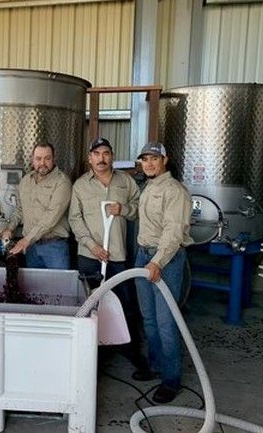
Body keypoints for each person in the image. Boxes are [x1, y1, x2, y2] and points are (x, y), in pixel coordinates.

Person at [69, 137, 150, 376]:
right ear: (90, 158)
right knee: (89, 304)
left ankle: (132, 351)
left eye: (106, 153)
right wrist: (92, 245)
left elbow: (139, 210)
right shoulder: (80, 186)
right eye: (96, 154)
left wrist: (123, 210)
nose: (101, 158)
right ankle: (90, 353)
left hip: (117, 256)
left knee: (126, 304)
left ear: (112, 156)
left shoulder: (126, 182)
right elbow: (75, 219)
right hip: (90, 255)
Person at [135, 142, 193, 404]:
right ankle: (156, 366)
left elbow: (173, 233)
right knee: (148, 318)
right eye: (145, 159)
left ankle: (170, 380)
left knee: (166, 322)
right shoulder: (148, 187)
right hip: (143, 255)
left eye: (154, 159)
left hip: (165, 261)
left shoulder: (174, 191)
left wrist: (157, 262)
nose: (148, 163)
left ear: (165, 160)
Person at [1, 142, 72, 269]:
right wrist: (10, 228)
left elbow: (52, 216)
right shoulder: (26, 180)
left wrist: (27, 239)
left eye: (47, 158)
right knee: (34, 287)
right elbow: (20, 209)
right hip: (31, 248)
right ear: (32, 159)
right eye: (38, 158)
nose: (42, 163)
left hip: (54, 248)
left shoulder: (62, 182)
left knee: (58, 288)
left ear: (54, 159)